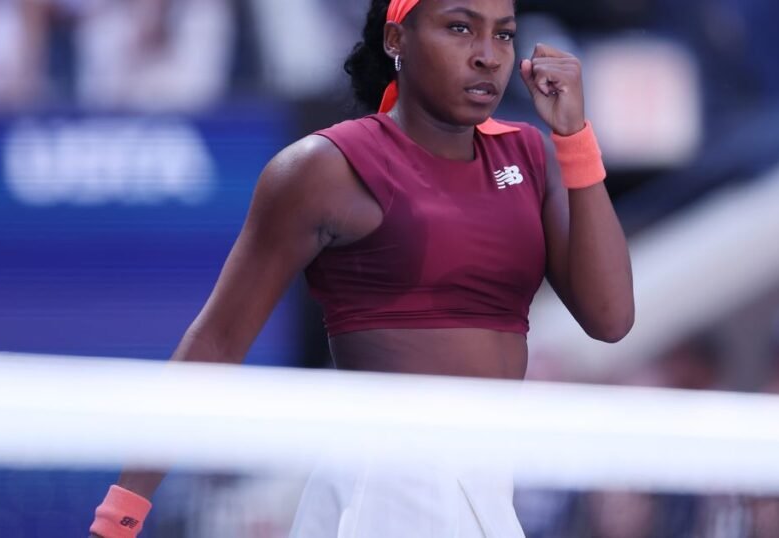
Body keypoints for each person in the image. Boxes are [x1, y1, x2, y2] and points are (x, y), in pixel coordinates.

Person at [89, 0, 634, 536]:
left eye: (504, 34)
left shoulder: (530, 155)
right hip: (386, 490)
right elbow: (218, 339)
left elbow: (610, 318)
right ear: (397, 40)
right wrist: (120, 516)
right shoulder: (323, 168)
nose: (487, 55)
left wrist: (575, 138)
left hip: (488, 486)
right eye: (460, 28)